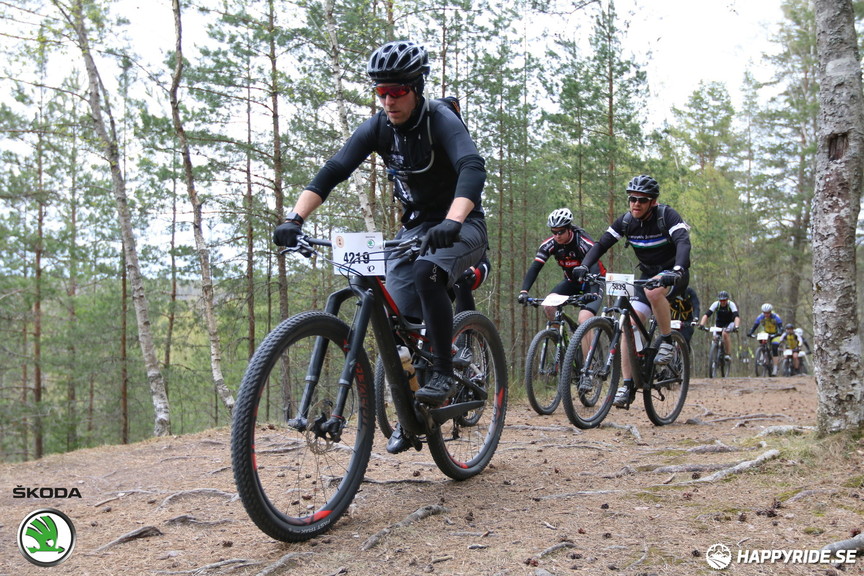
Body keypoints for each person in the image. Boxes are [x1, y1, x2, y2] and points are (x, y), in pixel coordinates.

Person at [272, 40, 488, 454]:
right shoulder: (378, 127)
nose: (388, 100)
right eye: (380, 92)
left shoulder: (439, 119)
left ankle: (444, 371)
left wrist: (452, 221)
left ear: (417, 87)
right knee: (394, 315)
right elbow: (334, 169)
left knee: (428, 272)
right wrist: (294, 219)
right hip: (415, 229)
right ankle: (412, 415)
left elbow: (471, 168)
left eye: (397, 91)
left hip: (462, 225)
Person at [575, 175, 692, 408]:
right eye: (632, 199)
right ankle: (628, 384)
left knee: (653, 292)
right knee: (627, 322)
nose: (635, 204)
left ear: (653, 202)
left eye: (642, 200)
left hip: (673, 274)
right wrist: (584, 265)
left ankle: (667, 340)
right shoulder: (627, 222)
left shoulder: (666, 216)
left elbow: (683, 242)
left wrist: (678, 269)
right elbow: (601, 244)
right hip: (647, 275)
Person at [517, 208, 605, 327]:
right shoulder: (550, 244)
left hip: (592, 282)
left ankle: (588, 344)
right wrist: (524, 291)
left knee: (584, 320)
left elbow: (595, 266)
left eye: (561, 232)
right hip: (571, 281)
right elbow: (535, 267)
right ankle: (559, 339)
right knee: (548, 305)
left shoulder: (583, 242)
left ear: (569, 229)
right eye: (554, 232)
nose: (557, 236)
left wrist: (594, 293)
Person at [698, 290, 741, 359]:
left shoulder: (731, 304)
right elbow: (706, 315)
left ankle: (727, 354)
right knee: (715, 338)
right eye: (721, 300)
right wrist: (701, 325)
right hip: (719, 324)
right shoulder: (716, 304)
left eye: (724, 300)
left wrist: (736, 326)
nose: (723, 302)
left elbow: (736, 316)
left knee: (724, 334)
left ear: (727, 299)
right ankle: (714, 357)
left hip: (729, 323)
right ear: (719, 300)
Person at [747, 303, 783, 376]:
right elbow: (755, 326)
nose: (766, 314)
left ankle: (775, 368)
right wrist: (751, 332)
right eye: (765, 313)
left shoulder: (776, 317)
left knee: (774, 347)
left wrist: (780, 332)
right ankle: (762, 352)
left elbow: (780, 327)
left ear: (771, 311)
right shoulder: (760, 317)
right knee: (761, 339)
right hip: (766, 332)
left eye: (768, 313)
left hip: (775, 333)